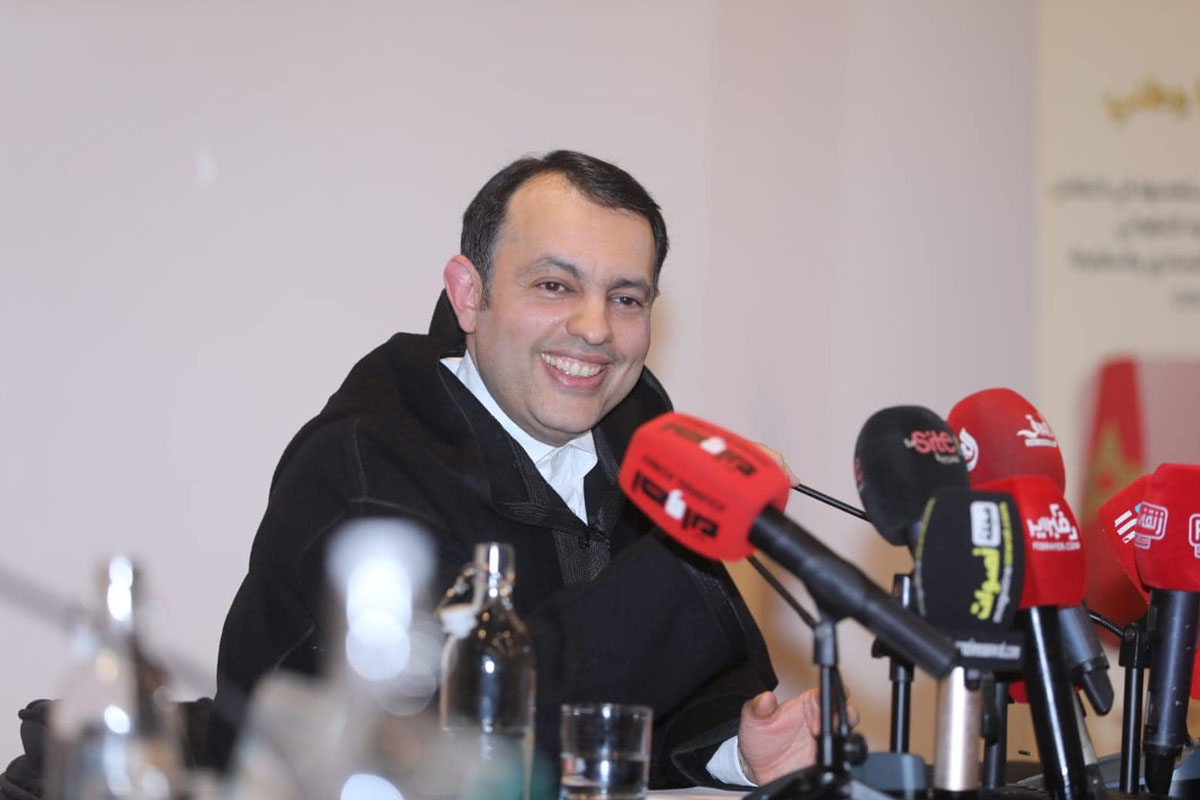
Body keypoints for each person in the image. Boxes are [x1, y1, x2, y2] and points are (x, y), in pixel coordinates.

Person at [206, 150, 826, 791]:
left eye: (625, 298)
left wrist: (737, 752)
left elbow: (648, 704)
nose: (595, 329)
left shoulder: (639, 446)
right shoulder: (364, 463)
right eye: (555, 286)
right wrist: (682, 557)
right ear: (469, 295)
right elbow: (444, 742)